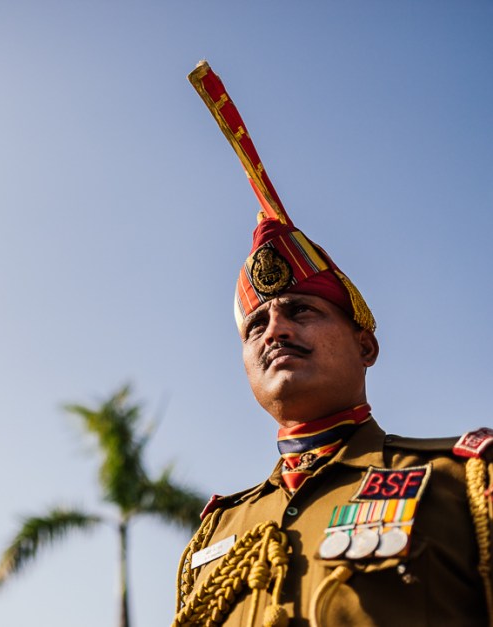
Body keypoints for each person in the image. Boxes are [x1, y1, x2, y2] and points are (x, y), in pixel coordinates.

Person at [171, 61, 493, 627]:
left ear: (366, 346)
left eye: (302, 311)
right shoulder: (215, 534)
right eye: (256, 326)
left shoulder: (461, 482)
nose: (276, 330)